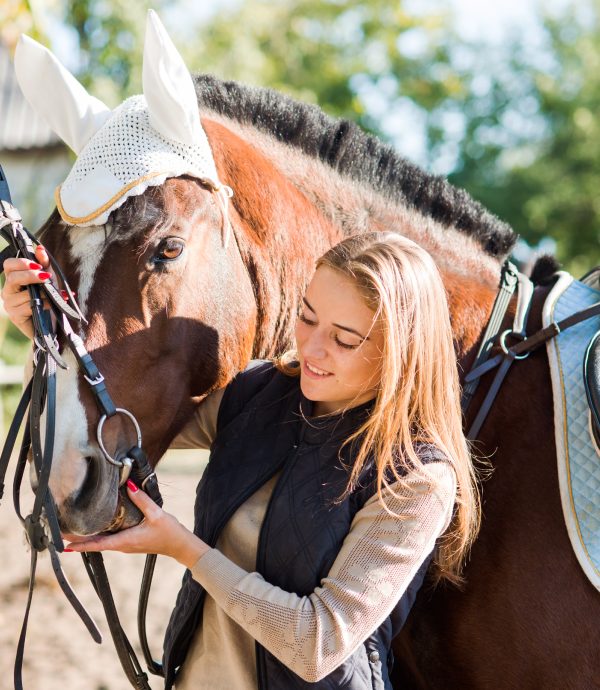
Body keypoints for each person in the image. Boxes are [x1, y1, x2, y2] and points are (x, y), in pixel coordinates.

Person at [1, 231, 479, 690]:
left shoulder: (417, 477)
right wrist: (49, 333)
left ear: (403, 350)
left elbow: (317, 644)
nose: (312, 348)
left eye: (345, 339)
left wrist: (185, 550)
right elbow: (120, 418)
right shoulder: (255, 392)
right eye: (307, 317)